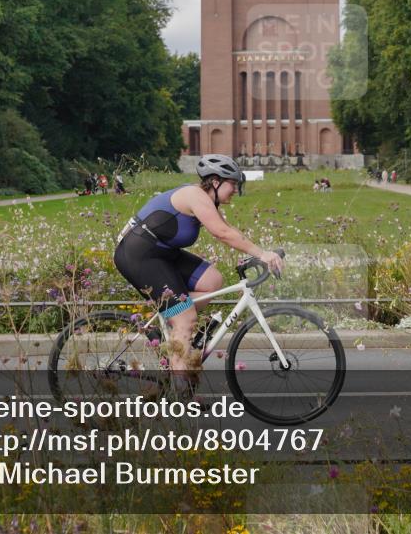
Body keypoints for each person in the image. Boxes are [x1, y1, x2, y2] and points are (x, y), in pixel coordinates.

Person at [113, 154, 284, 386]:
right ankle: (179, 390)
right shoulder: (195, 196)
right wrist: (262, 254)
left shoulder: (207, 200)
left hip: (161, 252)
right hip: (139, 254)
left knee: (212, 280)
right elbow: (221, 233)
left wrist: (256, 252)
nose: (235, 189)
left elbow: (226, 228)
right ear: (215, 182)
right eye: (232, 183)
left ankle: (173, 324)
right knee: (186, 317)